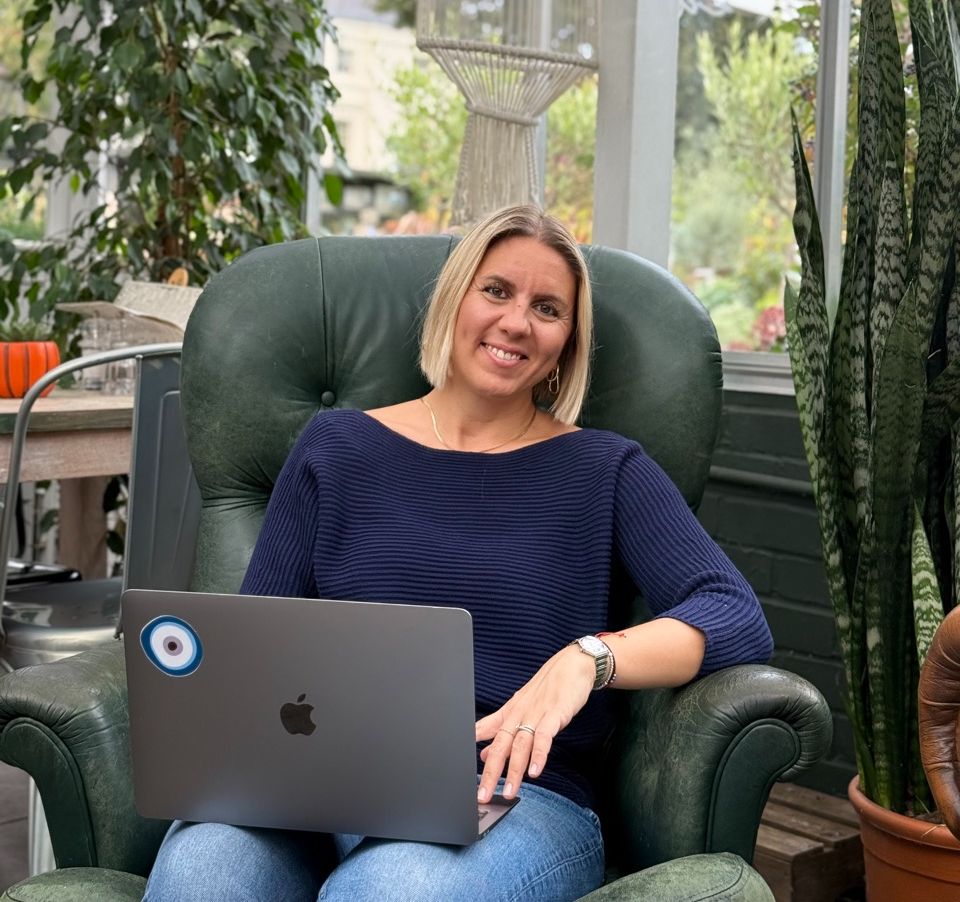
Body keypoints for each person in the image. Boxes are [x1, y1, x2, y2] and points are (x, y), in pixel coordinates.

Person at [143, 205, 773, 902]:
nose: (516, 322)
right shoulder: (334, 447)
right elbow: (255, 643)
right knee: (201, 866)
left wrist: (586, 659)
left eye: (548, 308)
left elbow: (733, 613)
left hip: (512, 795)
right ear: (454, 300)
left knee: (391, 889)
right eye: (496, 290)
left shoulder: (605, 469)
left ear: (566, 343)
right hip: (317, 791)